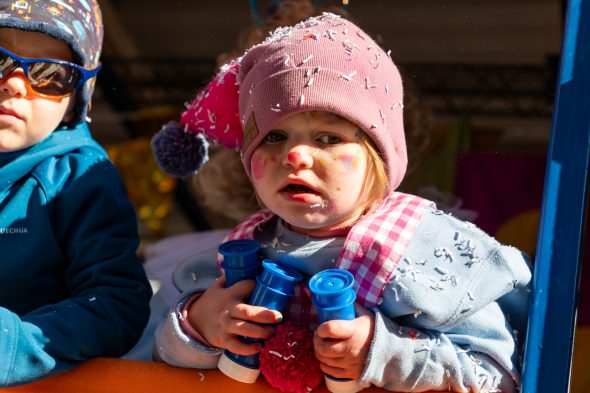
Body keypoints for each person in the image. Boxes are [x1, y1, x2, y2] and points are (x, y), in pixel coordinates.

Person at [151, 13, 531, 392]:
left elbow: (497, 377)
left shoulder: (427, 252)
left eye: (328, 139)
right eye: (274, 136)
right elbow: (158, 364)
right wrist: (198, 326)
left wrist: (387, 352)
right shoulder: (235, 256)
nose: (294, 155)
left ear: (381, 157)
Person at [0, 1, 152, 387]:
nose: (15, 83)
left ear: (75, 102)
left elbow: (116, 305)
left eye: (51, 74)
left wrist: (15, 345)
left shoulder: (77, 178)